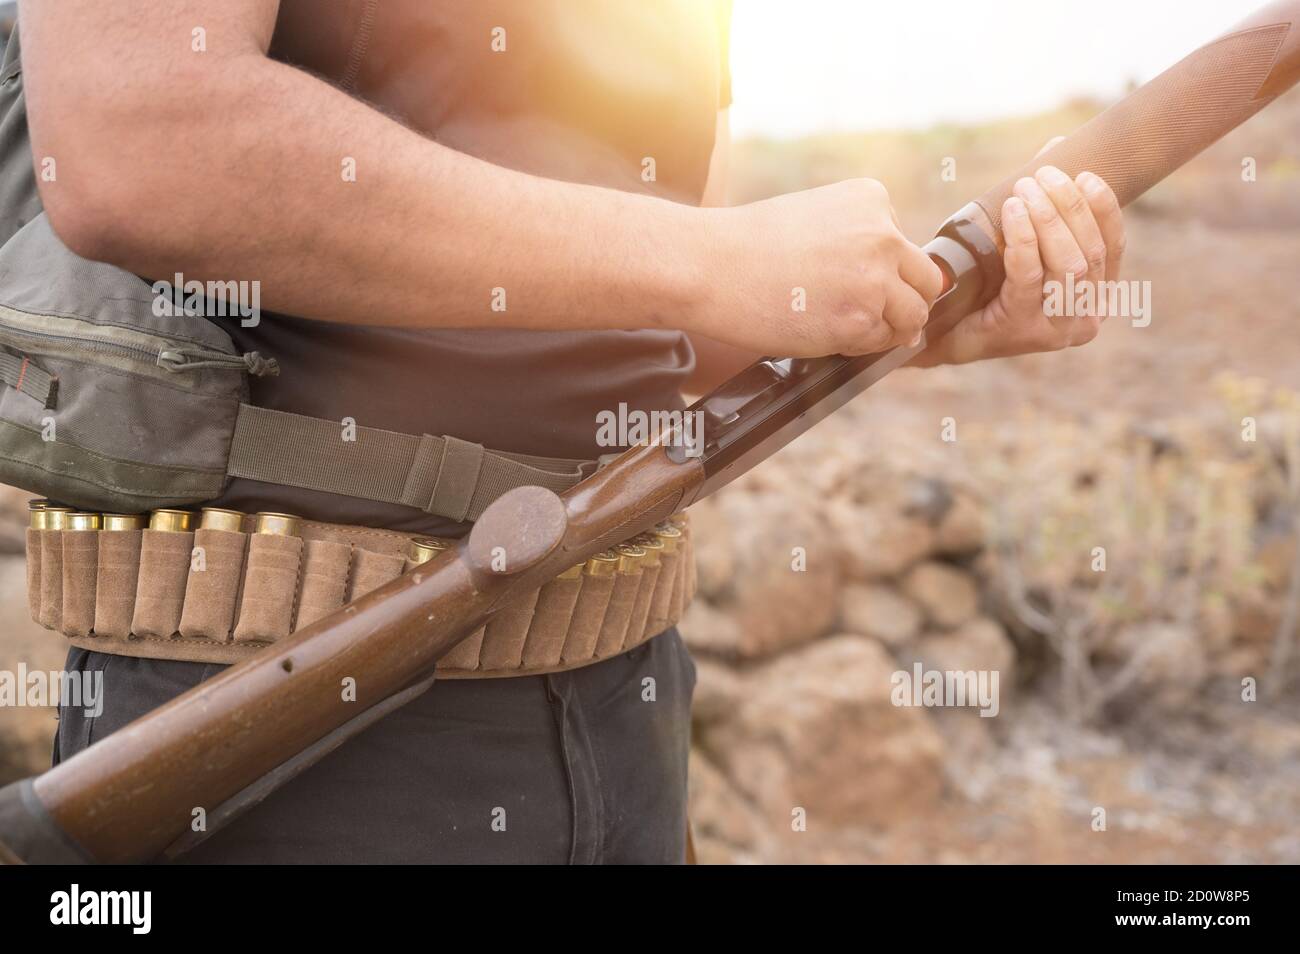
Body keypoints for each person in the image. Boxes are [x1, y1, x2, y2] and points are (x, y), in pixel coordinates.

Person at [21, 0, 1124, 863]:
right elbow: (134, 141)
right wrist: (714, 262)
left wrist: (904, 315)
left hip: (624, 696)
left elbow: (657, 334)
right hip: (284, 720)